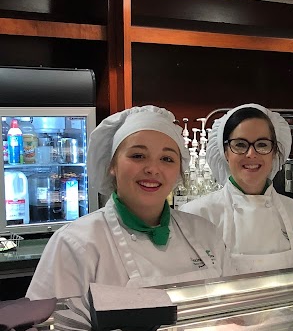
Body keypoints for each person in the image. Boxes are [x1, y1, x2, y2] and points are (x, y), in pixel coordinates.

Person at [26, 105, 228, 303]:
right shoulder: (76, 243)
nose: (153, 169)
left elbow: (232, 308)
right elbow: (49, 320)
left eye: (167, 159)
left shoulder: (205, 234)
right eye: (138, 156)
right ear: (112, 165)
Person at [181, 104, 293, 274]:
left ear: (275, 152)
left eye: (262, 144)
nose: (251, 153)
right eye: (240, 144)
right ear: (225, 152)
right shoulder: (196, 216)